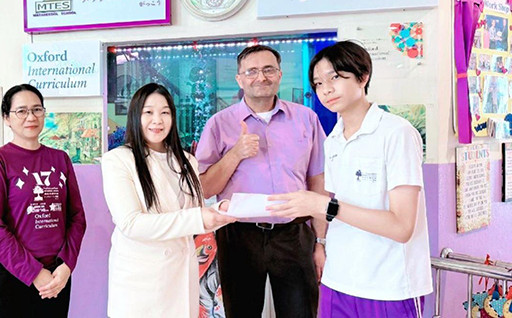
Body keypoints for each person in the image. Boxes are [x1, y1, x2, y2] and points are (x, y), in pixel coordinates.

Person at [268, 40, 431, 317]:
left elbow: (402, 227)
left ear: (363, 77)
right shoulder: (333, 140)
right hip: (337, 281)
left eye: (335, 78)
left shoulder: (396, 133)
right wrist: (320, 243)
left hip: (389, 286)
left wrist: (324, 206)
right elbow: (334, 206)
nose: (326, 89)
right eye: (318, 83)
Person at [195, 44, 327, 318]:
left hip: (294, 233)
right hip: (238, 234)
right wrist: (236, 153)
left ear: (279, 74)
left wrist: (321, 242)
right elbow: (206, 188)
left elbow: (318, 182)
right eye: (251, 71)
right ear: (239, 79)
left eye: (268, 70)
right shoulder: (219, 124)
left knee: (301, 312)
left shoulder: (306, 119)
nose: (261, 77)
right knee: (241, 312)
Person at [102, 83, 235, 318]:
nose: (157, 120)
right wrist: (199, 217)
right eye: (148, 112)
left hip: (181, 278)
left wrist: (218, 213)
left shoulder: (186, 160)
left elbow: (193, 215)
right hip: (142, 284)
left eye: (165, 112)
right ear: (135, 116)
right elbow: (131, 224)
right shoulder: (118, 160)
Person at [0, 84, 86, 318]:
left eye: (37, 109)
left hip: (57, 276)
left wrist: (67, 265)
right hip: (13, 275)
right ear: (7, 118)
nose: (31, 117)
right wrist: (34, 272)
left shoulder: (60, 159)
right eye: (21, 111)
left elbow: (77, 217)